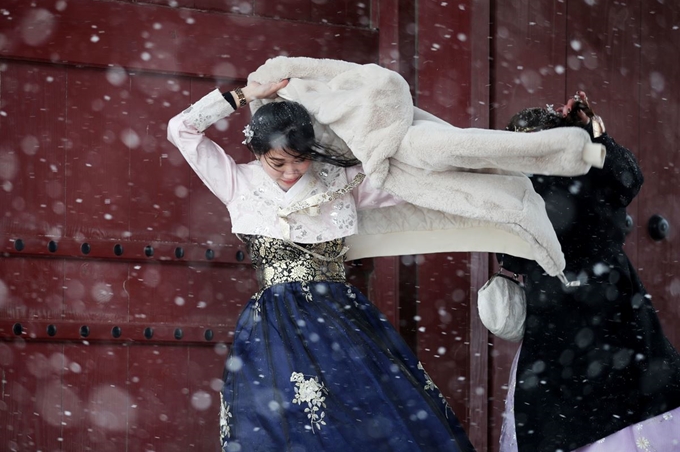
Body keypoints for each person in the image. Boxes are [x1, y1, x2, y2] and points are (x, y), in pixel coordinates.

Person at [167, 80, 476, 452]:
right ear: (256, 150)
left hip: (340, 316)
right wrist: (245, 95)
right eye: (277, 162)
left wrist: (473, 163)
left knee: (365, 413)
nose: (290, 171)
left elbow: (409, 181)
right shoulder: (237, 182)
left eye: (300, 158)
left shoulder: (341, 181)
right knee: (275, 421)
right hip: (273, 324)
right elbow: (181, 128)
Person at [497, 91, 680, 452]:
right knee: (626, 399)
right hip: (612, 310)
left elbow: (510, 259)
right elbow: (629, 177)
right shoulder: (587, 164)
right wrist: (594, 132)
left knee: (566, 417)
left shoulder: (516, 186)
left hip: (560, 317)